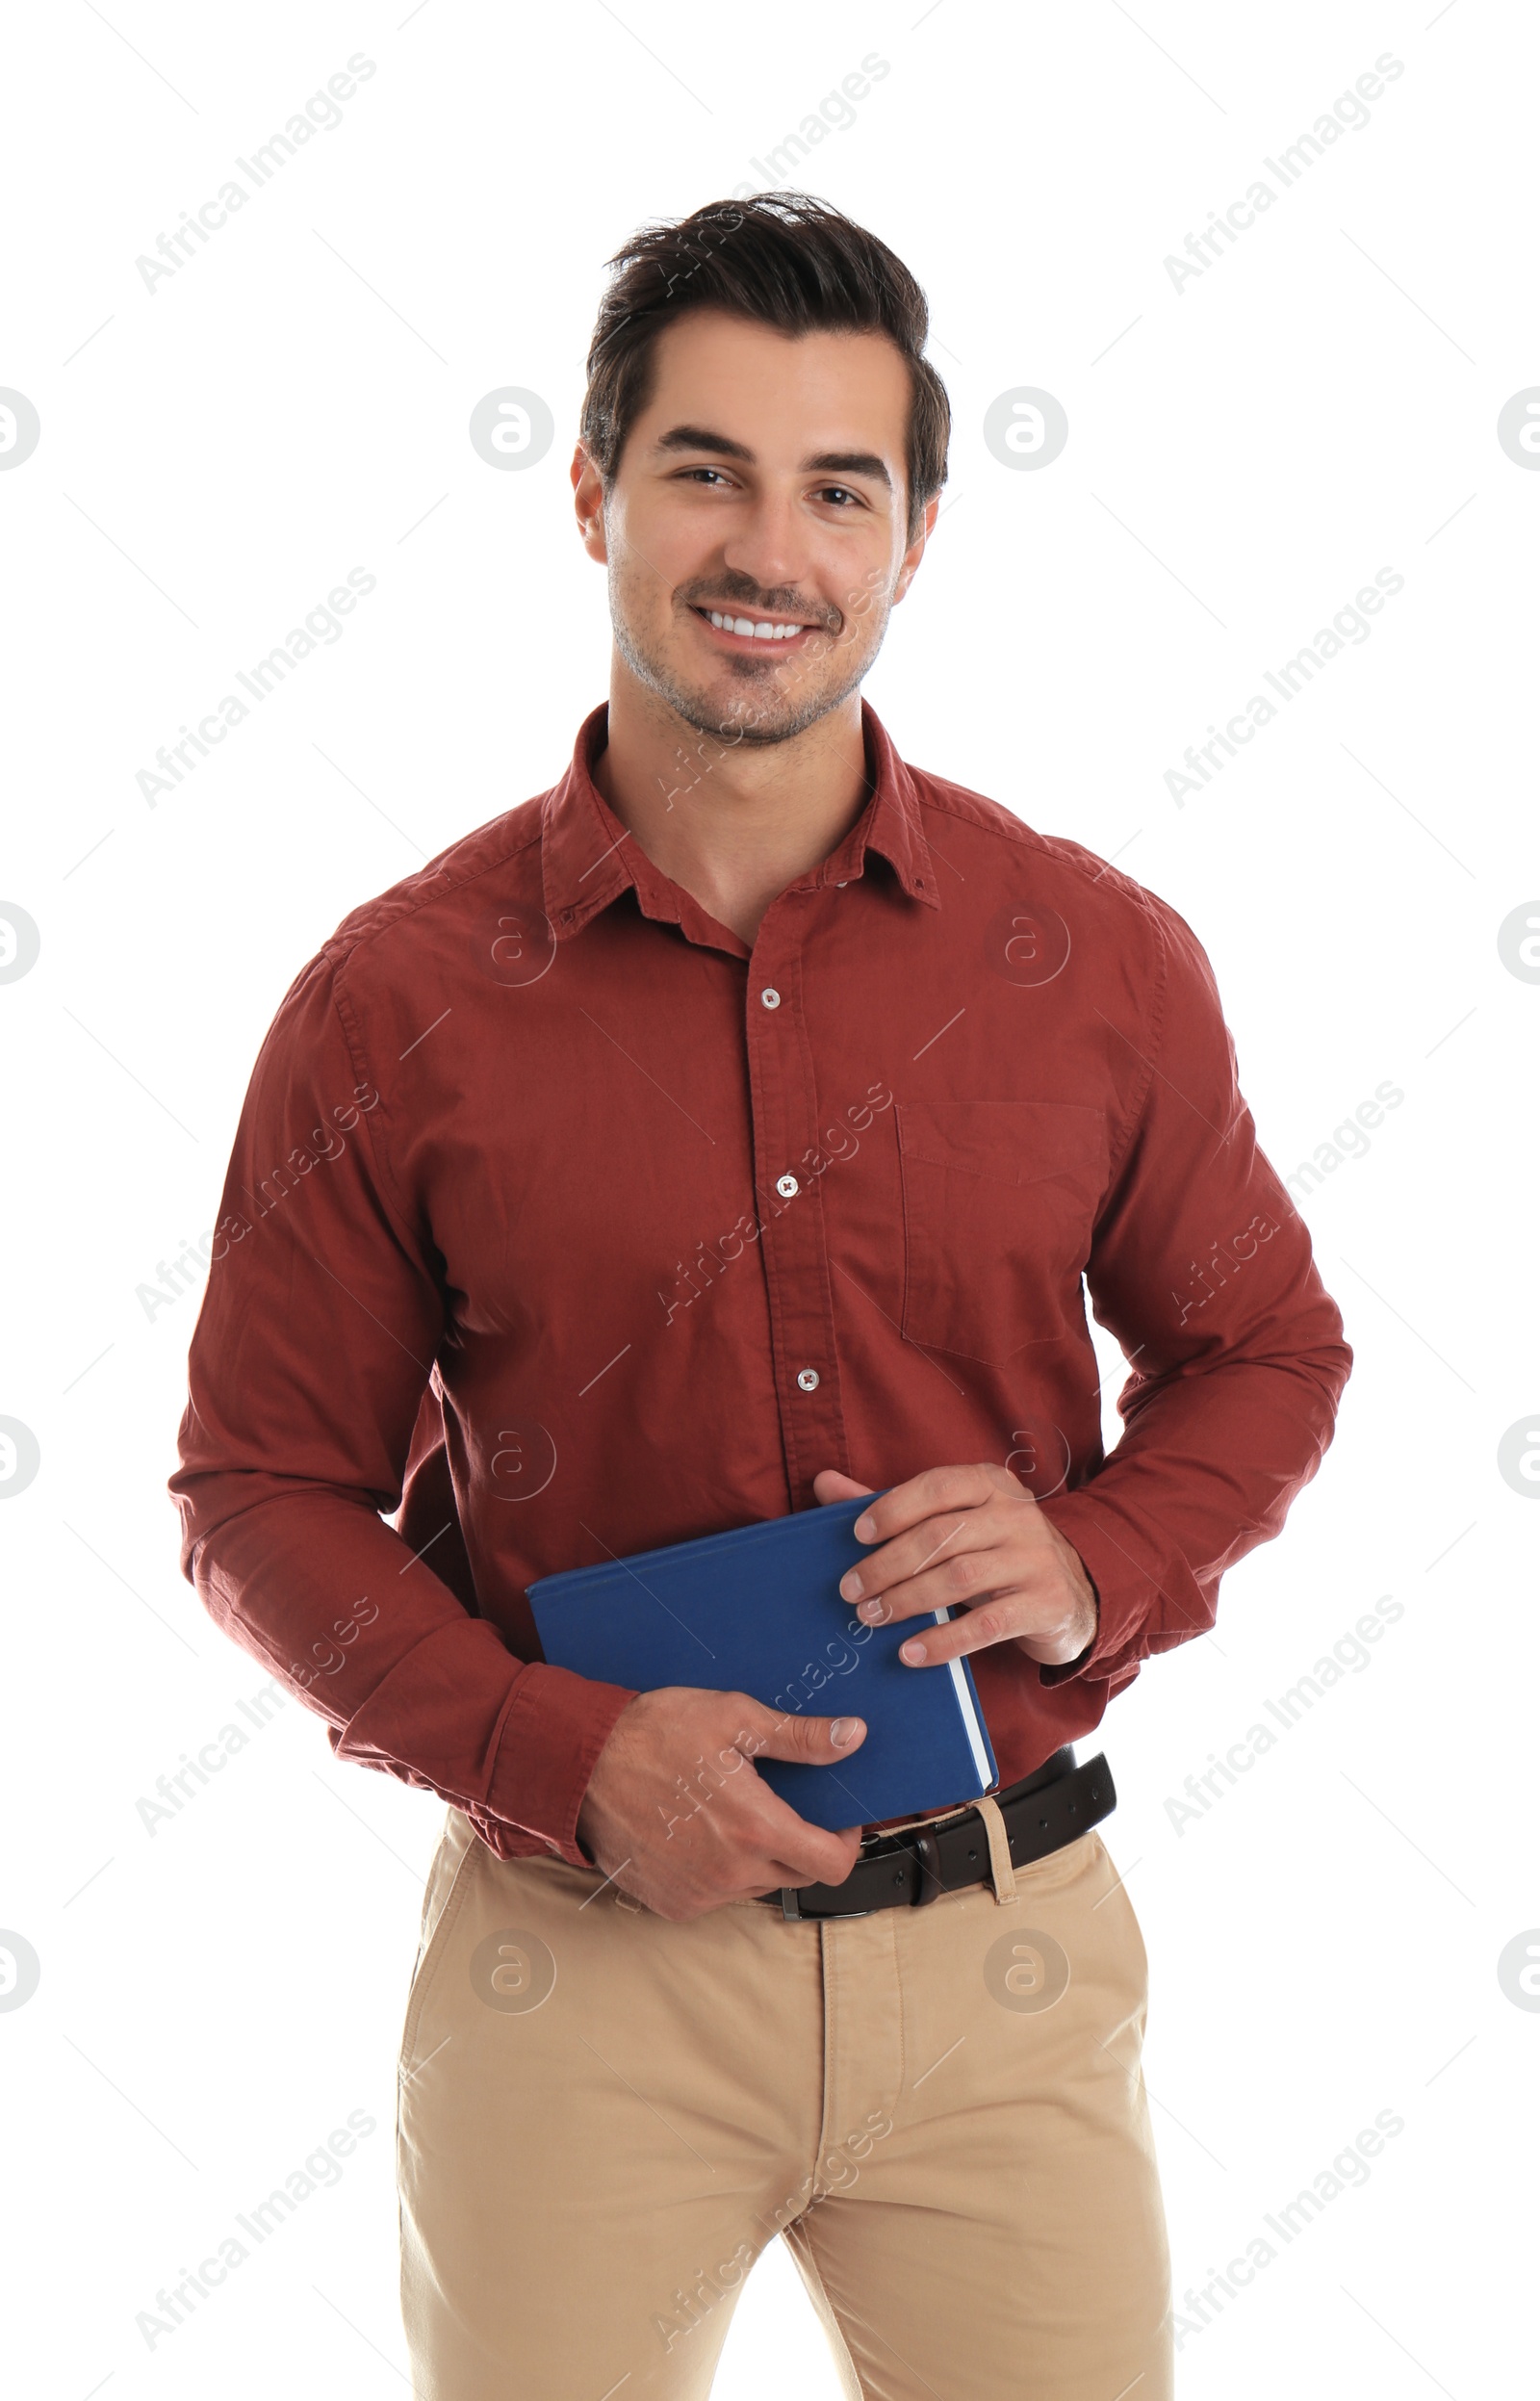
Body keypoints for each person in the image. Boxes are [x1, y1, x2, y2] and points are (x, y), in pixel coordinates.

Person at [169, 192, 1351, 2401]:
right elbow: (255, 1485)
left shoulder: (1090, 956)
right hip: (579, 1977)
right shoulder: (393, 1000)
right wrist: (566, 1756)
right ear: (596, 490)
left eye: (838, 487)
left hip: (1004, 1959)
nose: (768, 547)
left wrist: (1095, 1553)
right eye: (705, 467)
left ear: (914, 536)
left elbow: (1264, 1345)